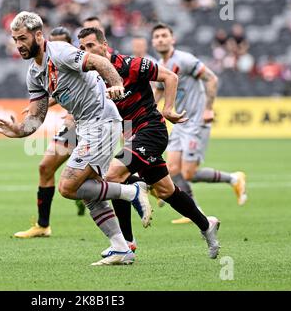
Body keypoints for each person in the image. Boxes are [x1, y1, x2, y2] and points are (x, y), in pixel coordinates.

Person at [0, 12, 152, 266]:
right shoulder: (34, 73)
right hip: (86, 126)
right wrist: (19, 130)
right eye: (15, 39)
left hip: (101, 121)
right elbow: (37, 116)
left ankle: (131, 191)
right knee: (88, 191)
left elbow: (99, 62)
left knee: (68, 186)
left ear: (38, 35)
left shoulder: (61, 53)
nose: (18, 44)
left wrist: (116, 83)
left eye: (22, 38)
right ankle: (121, 248)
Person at [78, 27, 221, 259]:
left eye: (91, 45)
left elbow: (170, 77)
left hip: (151, 130)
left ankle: (126, 244)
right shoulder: (92, 76)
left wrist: (167, 109)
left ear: (105, 45)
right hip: (132, 135)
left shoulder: (131, 64)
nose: (87, 51)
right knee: (166, 190)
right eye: (82, 48)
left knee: (113, 176)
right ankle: (207, 225)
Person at [151, 23, 247, 225]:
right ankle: (195, 212)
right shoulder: (161, 65)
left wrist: (208, 108)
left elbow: (211, 78)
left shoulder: (184, 59)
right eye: (157, 36)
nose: (160, 39)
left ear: (172, 39)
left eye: (164, 35)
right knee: (173, 168)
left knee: (188, 173)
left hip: (196, 121)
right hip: (180, 122)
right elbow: (157, 94)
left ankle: (234, 178)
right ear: (153, 42)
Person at [13, 26, 86, 239]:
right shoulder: (43, 65)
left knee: (112, 175)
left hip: (94, 123)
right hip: (72, 127)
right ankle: (43, 225)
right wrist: (43, 104)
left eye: (59, 42)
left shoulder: (74, 60)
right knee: (45, 167)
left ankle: (144, 185)